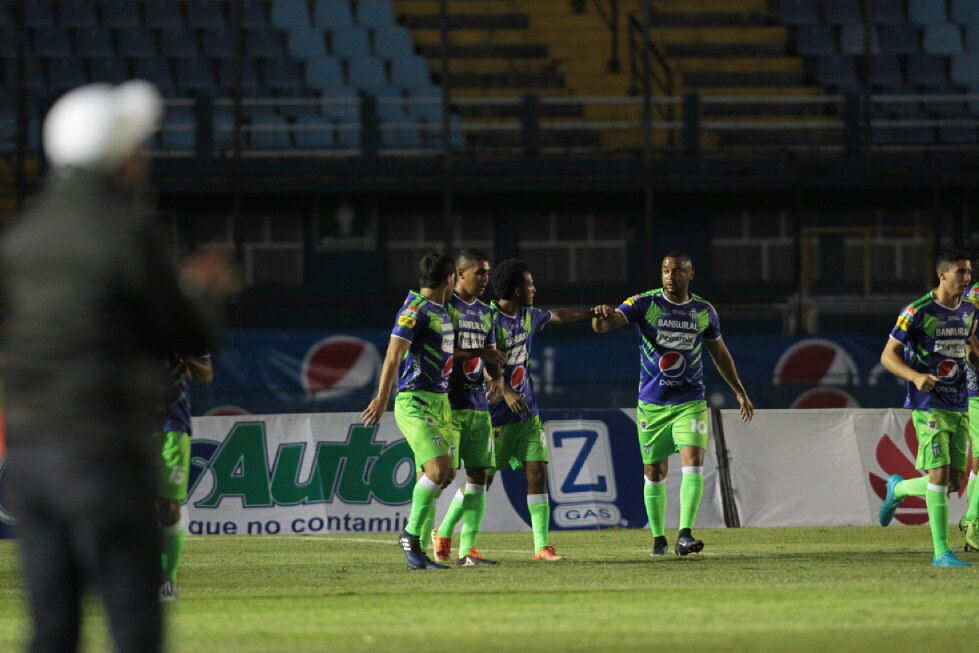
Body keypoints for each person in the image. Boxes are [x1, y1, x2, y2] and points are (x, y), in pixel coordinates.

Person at [2, 82, 237, 653]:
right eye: (137, 147)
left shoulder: (21, 239)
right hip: (103, 450)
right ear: (120, 157)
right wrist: (207, 292)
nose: (142, 158)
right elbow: (189, 334)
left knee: (51, 630)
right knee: (133, 628)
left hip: (30, 456)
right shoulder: (126, 232)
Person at [592, 251, 753, 557]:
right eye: (665, 270)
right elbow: (606, 325)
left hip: (689, 401)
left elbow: (720, 353)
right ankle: (658, 540)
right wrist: (600, 319)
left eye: (677, 270)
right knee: (654, 473)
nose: (670, 276)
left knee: (693, 461)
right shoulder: (645, 303)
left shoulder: (704, 311)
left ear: (690, 275)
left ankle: (684, 535)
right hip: (652, 405)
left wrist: (739, 391)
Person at [488, 259, 609, 561]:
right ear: (517, 290)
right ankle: (444, 532)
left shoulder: (528, 316)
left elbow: (558, 315)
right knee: (481, 479)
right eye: (530, 284)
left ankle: (541, 546)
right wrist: (506, 392)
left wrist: (589, 313)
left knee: (537, 472)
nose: (534, 288)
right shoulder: (488, 319)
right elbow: (480, 363)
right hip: (496, 415)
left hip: (527, 413)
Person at [362, 252, 467, 570]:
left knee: (444, 475)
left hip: (441, 402)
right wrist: (382, 397)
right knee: (437, 471)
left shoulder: (442, 310)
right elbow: (393, 354)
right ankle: (410, 535)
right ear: (449, 278)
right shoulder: (414, 310)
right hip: (415, 401)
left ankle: (417, 555)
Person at [879, 249, 979, 568]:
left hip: (959, 402)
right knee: (938, 475)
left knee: (952, 483)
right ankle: (941, 552)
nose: (967, 277)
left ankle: (898, 488)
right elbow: (888, 355)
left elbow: (969, 350)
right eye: (961, 272)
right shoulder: (917, 311)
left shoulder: (969, 311)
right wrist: (915, 376)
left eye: (969, 272)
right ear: (942, 274)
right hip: (928, 404)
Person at [431, 249, 508, 566]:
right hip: (448, 404)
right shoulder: (445, 307)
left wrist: (497, 377)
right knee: (441, 476)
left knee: (480, 477)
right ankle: (419, 533)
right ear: (460, 274)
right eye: (480, 272)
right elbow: (440, 350)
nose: (486, 278)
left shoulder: (487, 313)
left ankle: (468, 551)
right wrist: (482, 355)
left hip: (478, 405)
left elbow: (491, 354)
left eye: (487, 272)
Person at [156, 352, 213, 601]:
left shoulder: (183, 330)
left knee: (169, 508)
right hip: (127, 425)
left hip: (171, 427)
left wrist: (186, 358)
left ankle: (168, 581)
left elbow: (205, 376)